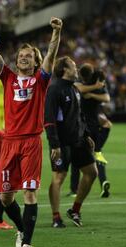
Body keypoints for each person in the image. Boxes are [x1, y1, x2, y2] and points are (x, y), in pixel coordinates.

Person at [0, 13, 62, 247]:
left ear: (35, 62)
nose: (23, 58)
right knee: (4, 197)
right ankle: (21, 230)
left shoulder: (40, 80)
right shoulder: (8, 78)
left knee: (30, 193)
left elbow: (52, 55)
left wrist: (56, 32)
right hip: (9, 142)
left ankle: (27, 244)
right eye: (20, 56)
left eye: (28, 56)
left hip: (31, 143)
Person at [44, 56, 98, 228]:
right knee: (59, 177)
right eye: (73, 66)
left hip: (78, 140)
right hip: (62, 142)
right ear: (65, 70)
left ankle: (75, 209)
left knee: (92, 172)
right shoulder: (54, 89)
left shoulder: (74, 89)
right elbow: (49, 119)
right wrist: (54, 144)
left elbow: (80, 114)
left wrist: (87, 134)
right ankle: (55, 217)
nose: (77, 68)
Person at [69, 64, 112, 198]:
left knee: (77, 157)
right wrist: (96, 89)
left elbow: (105, 98)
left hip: (82, 127)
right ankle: (103, 181)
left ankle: (74, 188)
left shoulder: (81, 86)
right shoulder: (92, 86)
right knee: (97, 155)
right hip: (93, 127)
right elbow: (106, 98)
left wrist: (91, 94)